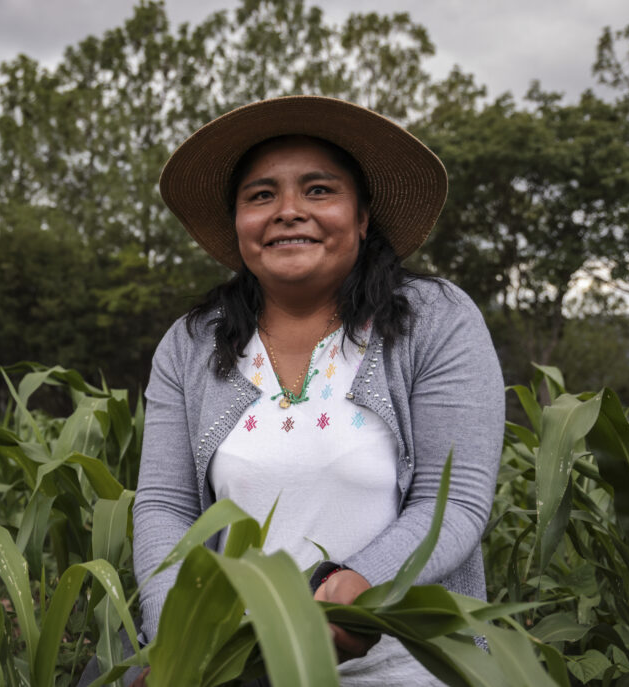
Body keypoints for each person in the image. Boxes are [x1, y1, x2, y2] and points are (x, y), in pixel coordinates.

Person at [129, 95, 505, 685]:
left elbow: (452, 501)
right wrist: (177, 641)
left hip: (407, 658)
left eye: (319, 190)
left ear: (361, 217)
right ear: (238, 224)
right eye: (260, 195)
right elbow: (164, 508)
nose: (288, 211)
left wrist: (359, 585)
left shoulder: (436, 320)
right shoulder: (190, 345)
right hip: (231, 663)